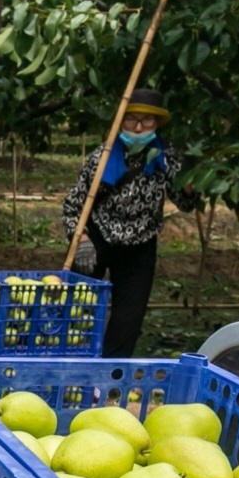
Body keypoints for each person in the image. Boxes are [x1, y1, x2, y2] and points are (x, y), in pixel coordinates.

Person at [58, 87, 200, 357]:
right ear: (121, 121)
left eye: (146, 120)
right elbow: (72, 206)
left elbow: (185, 203)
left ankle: (110, 375)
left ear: (156, 124)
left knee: (128, 319)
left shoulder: (166, 159)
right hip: (98, 239)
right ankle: (70, 364)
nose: (137, 127)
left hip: (140, 245)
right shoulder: (101, 158)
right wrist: (82, 240)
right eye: (131, 119)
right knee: (78, 311)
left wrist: (190, 177)